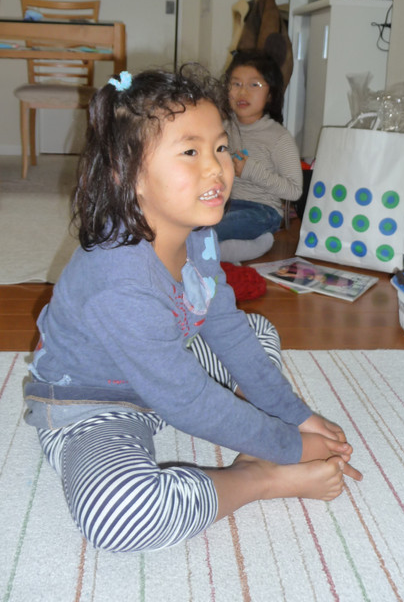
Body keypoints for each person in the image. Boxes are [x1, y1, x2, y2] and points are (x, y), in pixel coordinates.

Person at [23, 66, 362, 554]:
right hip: (93, 401)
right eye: (190, 152)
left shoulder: (199, 235)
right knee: (119, 515)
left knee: (256, 330)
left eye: (221, 148)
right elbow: (187, 402)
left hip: (167, 366)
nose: (215, 168)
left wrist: (295, 415)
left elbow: (225, 326)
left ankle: (255, 430)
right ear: (127, 174)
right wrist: (287, 447)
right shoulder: (117, 282)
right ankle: (257, 477)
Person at [214, 49, 303, 262]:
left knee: (212, 228)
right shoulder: (220, 128)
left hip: (262, 210)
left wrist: (251, 171)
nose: (242, 92)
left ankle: (209, 249)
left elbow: (294, 191)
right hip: (225, 204)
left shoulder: (278, 137)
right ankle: (239, 247)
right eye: (236, 84)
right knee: (195, 222)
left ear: (270, 94)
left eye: (254, 85)